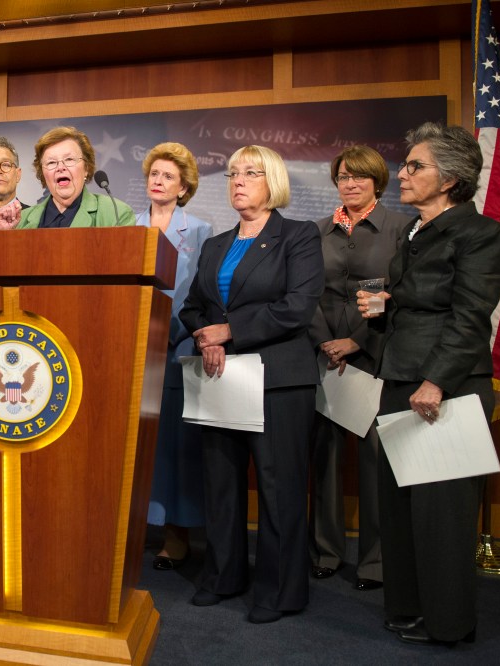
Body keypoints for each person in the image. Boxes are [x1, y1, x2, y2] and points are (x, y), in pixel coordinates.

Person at [358, 122, 500, 646]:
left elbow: (470, 318)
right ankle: (407, 609)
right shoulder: (411, 230)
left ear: (449, 179)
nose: (402, 173)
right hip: (400, 378)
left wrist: (437, 382)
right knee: (398, 508)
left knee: (442, 516)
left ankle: (449, 625)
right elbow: (414, 302)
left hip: (445, 389)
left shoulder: (483, 234)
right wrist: (383, 308)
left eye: (415, 166)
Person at [178, 145, 323, 624]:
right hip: (220, 376)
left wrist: (231, 329)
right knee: (220, 482)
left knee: (279, 488)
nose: (238, 181)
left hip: (278, 380)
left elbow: (297, 307)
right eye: (234, 173)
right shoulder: (215, 244)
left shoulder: (297, 236)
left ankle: (279, 591)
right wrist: (207, 335)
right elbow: (194, 307)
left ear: (273, 181)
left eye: (252, 173)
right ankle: (223, 576)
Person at [307, 145, 409, 591]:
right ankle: (326, 553)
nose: (350, 183)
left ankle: (374, 563)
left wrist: (356, 342)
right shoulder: (316, 232)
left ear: (377, 182)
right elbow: (306, 294)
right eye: (344, 176)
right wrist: (326, 343)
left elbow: (403, 298)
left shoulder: (401, 230)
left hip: (375, 358)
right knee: (324, 462)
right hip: (324, 358)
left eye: (360, 177)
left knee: (374, 466)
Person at [136, 142, 212, 570]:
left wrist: (169, 331)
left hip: (176, 347)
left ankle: (176, 536)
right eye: (153, 174)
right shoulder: (129, 223)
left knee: (172, 446)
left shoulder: (199, 231)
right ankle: (133, 529)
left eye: (167, 176)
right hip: (131, 348)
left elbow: (199, 293)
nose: (158, 181)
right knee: (136, 446)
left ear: (183, 188)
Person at [15, 126, 135, 228]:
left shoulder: (116, 214)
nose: (60, 167)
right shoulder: (21, 221)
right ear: (42, 173)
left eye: (69, 159)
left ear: (86, 168)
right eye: (51, 162)